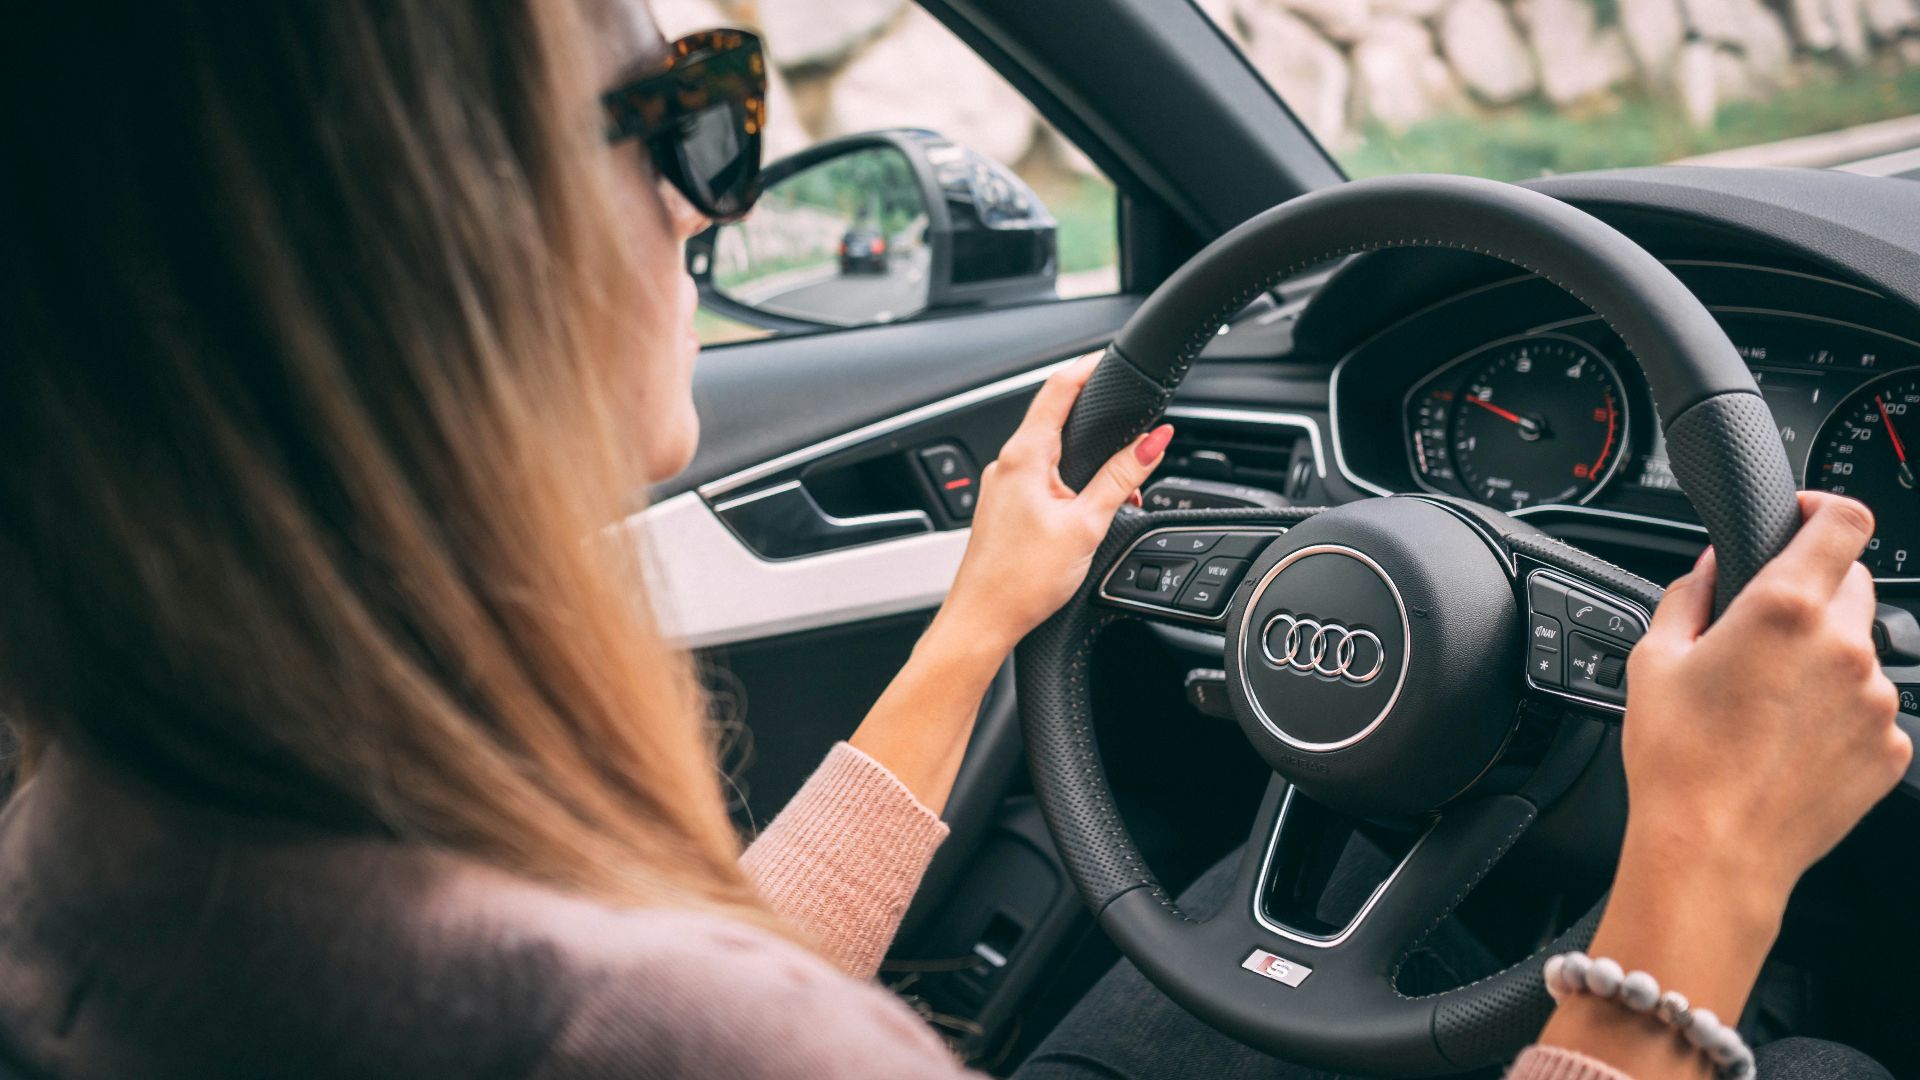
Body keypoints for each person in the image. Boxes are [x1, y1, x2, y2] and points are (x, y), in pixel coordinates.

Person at [0, 3, 1904, 1079]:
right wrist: (1695, 889)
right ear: (423, 230)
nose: (704, 204)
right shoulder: (678, 1035)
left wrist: (974, 630)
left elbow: (703, 972)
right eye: (686, 118)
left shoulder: (96, 843)